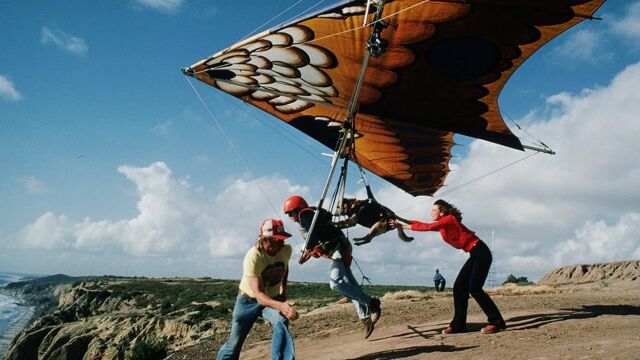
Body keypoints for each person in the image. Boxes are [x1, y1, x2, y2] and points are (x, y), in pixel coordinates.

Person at [390, 199, 507, 335]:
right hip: (474, 253)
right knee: (459, 288)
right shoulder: (443, 224)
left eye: (434, 210)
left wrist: (401, 226)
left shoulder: (449, 219)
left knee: (474, 288)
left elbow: (427, 227)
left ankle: (497, 322)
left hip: (481, 252)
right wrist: (399, 220)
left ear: (442, 212)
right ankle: (459, 325)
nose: (431, 212)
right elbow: (421, 224)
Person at [283, 195, 381, 339]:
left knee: (335, 283)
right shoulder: (311, 215)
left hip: (339, 249)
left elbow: (314, 234)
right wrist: (306, 253)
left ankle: (371, 303)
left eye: (290, 213)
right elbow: (314, 233)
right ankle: (366, 318)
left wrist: (308, 250)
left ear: (296, 209)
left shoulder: (305, 215)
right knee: (350, 286)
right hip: (339, 247)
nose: (290, 217)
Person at [216, 219, 299, 360]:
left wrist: (282, 292)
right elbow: (259, 295)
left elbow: (284, 267)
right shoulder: (254, 256)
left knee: (281, 322)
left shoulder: (286, 250)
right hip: (248, 301)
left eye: (282, 240)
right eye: (277, 241)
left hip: (271, 299)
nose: (281, 244)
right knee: (234, 345)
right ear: (265, 240)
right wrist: (281, 307)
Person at [335, 198, 414, 245]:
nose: (341, 212)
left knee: (381, 224)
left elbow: (351, 220)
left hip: (384, 220)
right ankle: (368, 237)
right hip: (378, 221)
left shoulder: (356, 208)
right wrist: (338, 227)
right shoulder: (351, 212)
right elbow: (352, 224)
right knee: (396, 224)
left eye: (340, 208)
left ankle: (368, 237)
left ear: (345, 205)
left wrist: (336, 223)